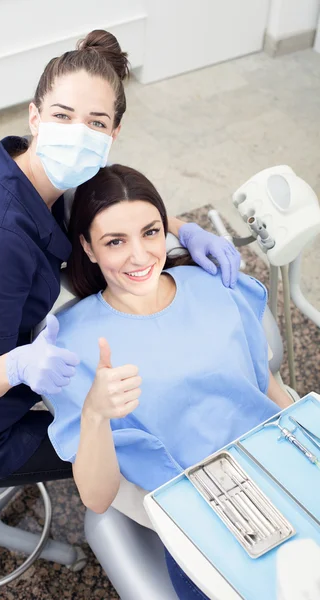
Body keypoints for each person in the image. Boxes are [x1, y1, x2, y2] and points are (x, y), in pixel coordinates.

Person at [0, 30, 240, 488]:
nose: (76, 135)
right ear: (35, 116)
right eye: (62, 116)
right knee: (129, 437)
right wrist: (20, 366)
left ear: (113, 133)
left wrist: (181, 227)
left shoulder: (28, 168)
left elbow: (106, 205)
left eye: (95, 123)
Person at [45, 164, 293, 599]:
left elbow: (265, 382)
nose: (140, 256)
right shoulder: (73, 344)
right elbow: (98, 498)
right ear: (86, 247)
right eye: (115, 242)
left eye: (151, 232)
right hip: (199, 516)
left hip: (275, 470)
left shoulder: (213, 283)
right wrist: (95, 414)